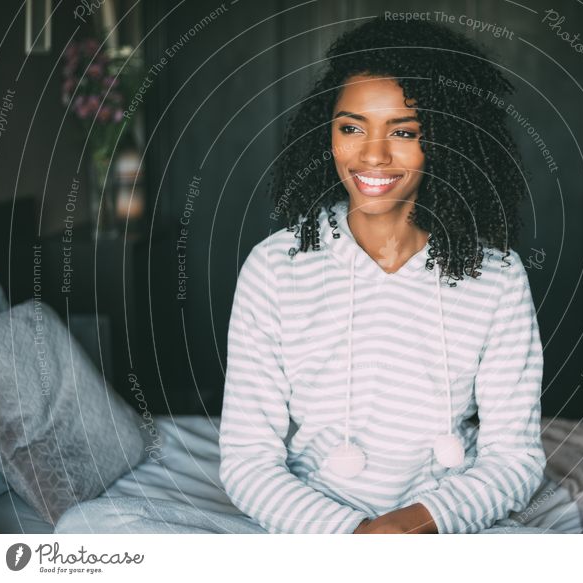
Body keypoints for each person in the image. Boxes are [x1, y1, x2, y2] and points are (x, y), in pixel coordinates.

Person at [219, 14, 547, 534]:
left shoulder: (498, 279)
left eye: (404, 131)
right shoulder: (274, 268)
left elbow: (514, 459)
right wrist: (354, 538)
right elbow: (247, 462)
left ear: (446, 141)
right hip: (311, 526)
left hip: (438, 523)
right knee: (100, 527)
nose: (372, 154)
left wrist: (408, 529)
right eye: (351, 127)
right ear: (325, 132)